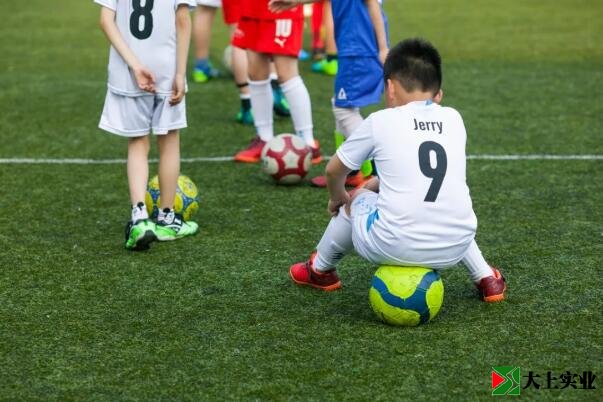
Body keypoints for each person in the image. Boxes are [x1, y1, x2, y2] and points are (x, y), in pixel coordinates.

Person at [287, 38, 507, 302]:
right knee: (443, 206)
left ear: (390, 88)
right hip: (455, 245)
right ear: (438, 94)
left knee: (356, 197)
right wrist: (375, 183)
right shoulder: (454, 118)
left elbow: (334, 171)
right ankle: (486, 278)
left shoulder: (380, 121)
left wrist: (338, 197)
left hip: (392, 244)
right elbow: (421, 176)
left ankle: (320, 270)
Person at [96, 0, 199, 250]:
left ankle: (139, 218)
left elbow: (105, 20)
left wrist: (135, 65)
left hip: (127, 73)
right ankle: (166, 218)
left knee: (138, 141)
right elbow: (183, 20)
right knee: (170, 140)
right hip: (167, 70)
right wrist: (180, 73)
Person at [270, 0, 388, 188]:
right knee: (342, 105)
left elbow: (372, 3)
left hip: (360, 50)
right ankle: (351, 171)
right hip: (354, 48)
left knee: (344, 109)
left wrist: (383, 48)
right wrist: (296, 2)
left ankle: (375, 171)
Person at [232, 0, 322, 164]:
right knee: (255, 73)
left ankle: (308, 142)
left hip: (281, 8)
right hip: (251, 7)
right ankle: (264, 138)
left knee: (286, 74)